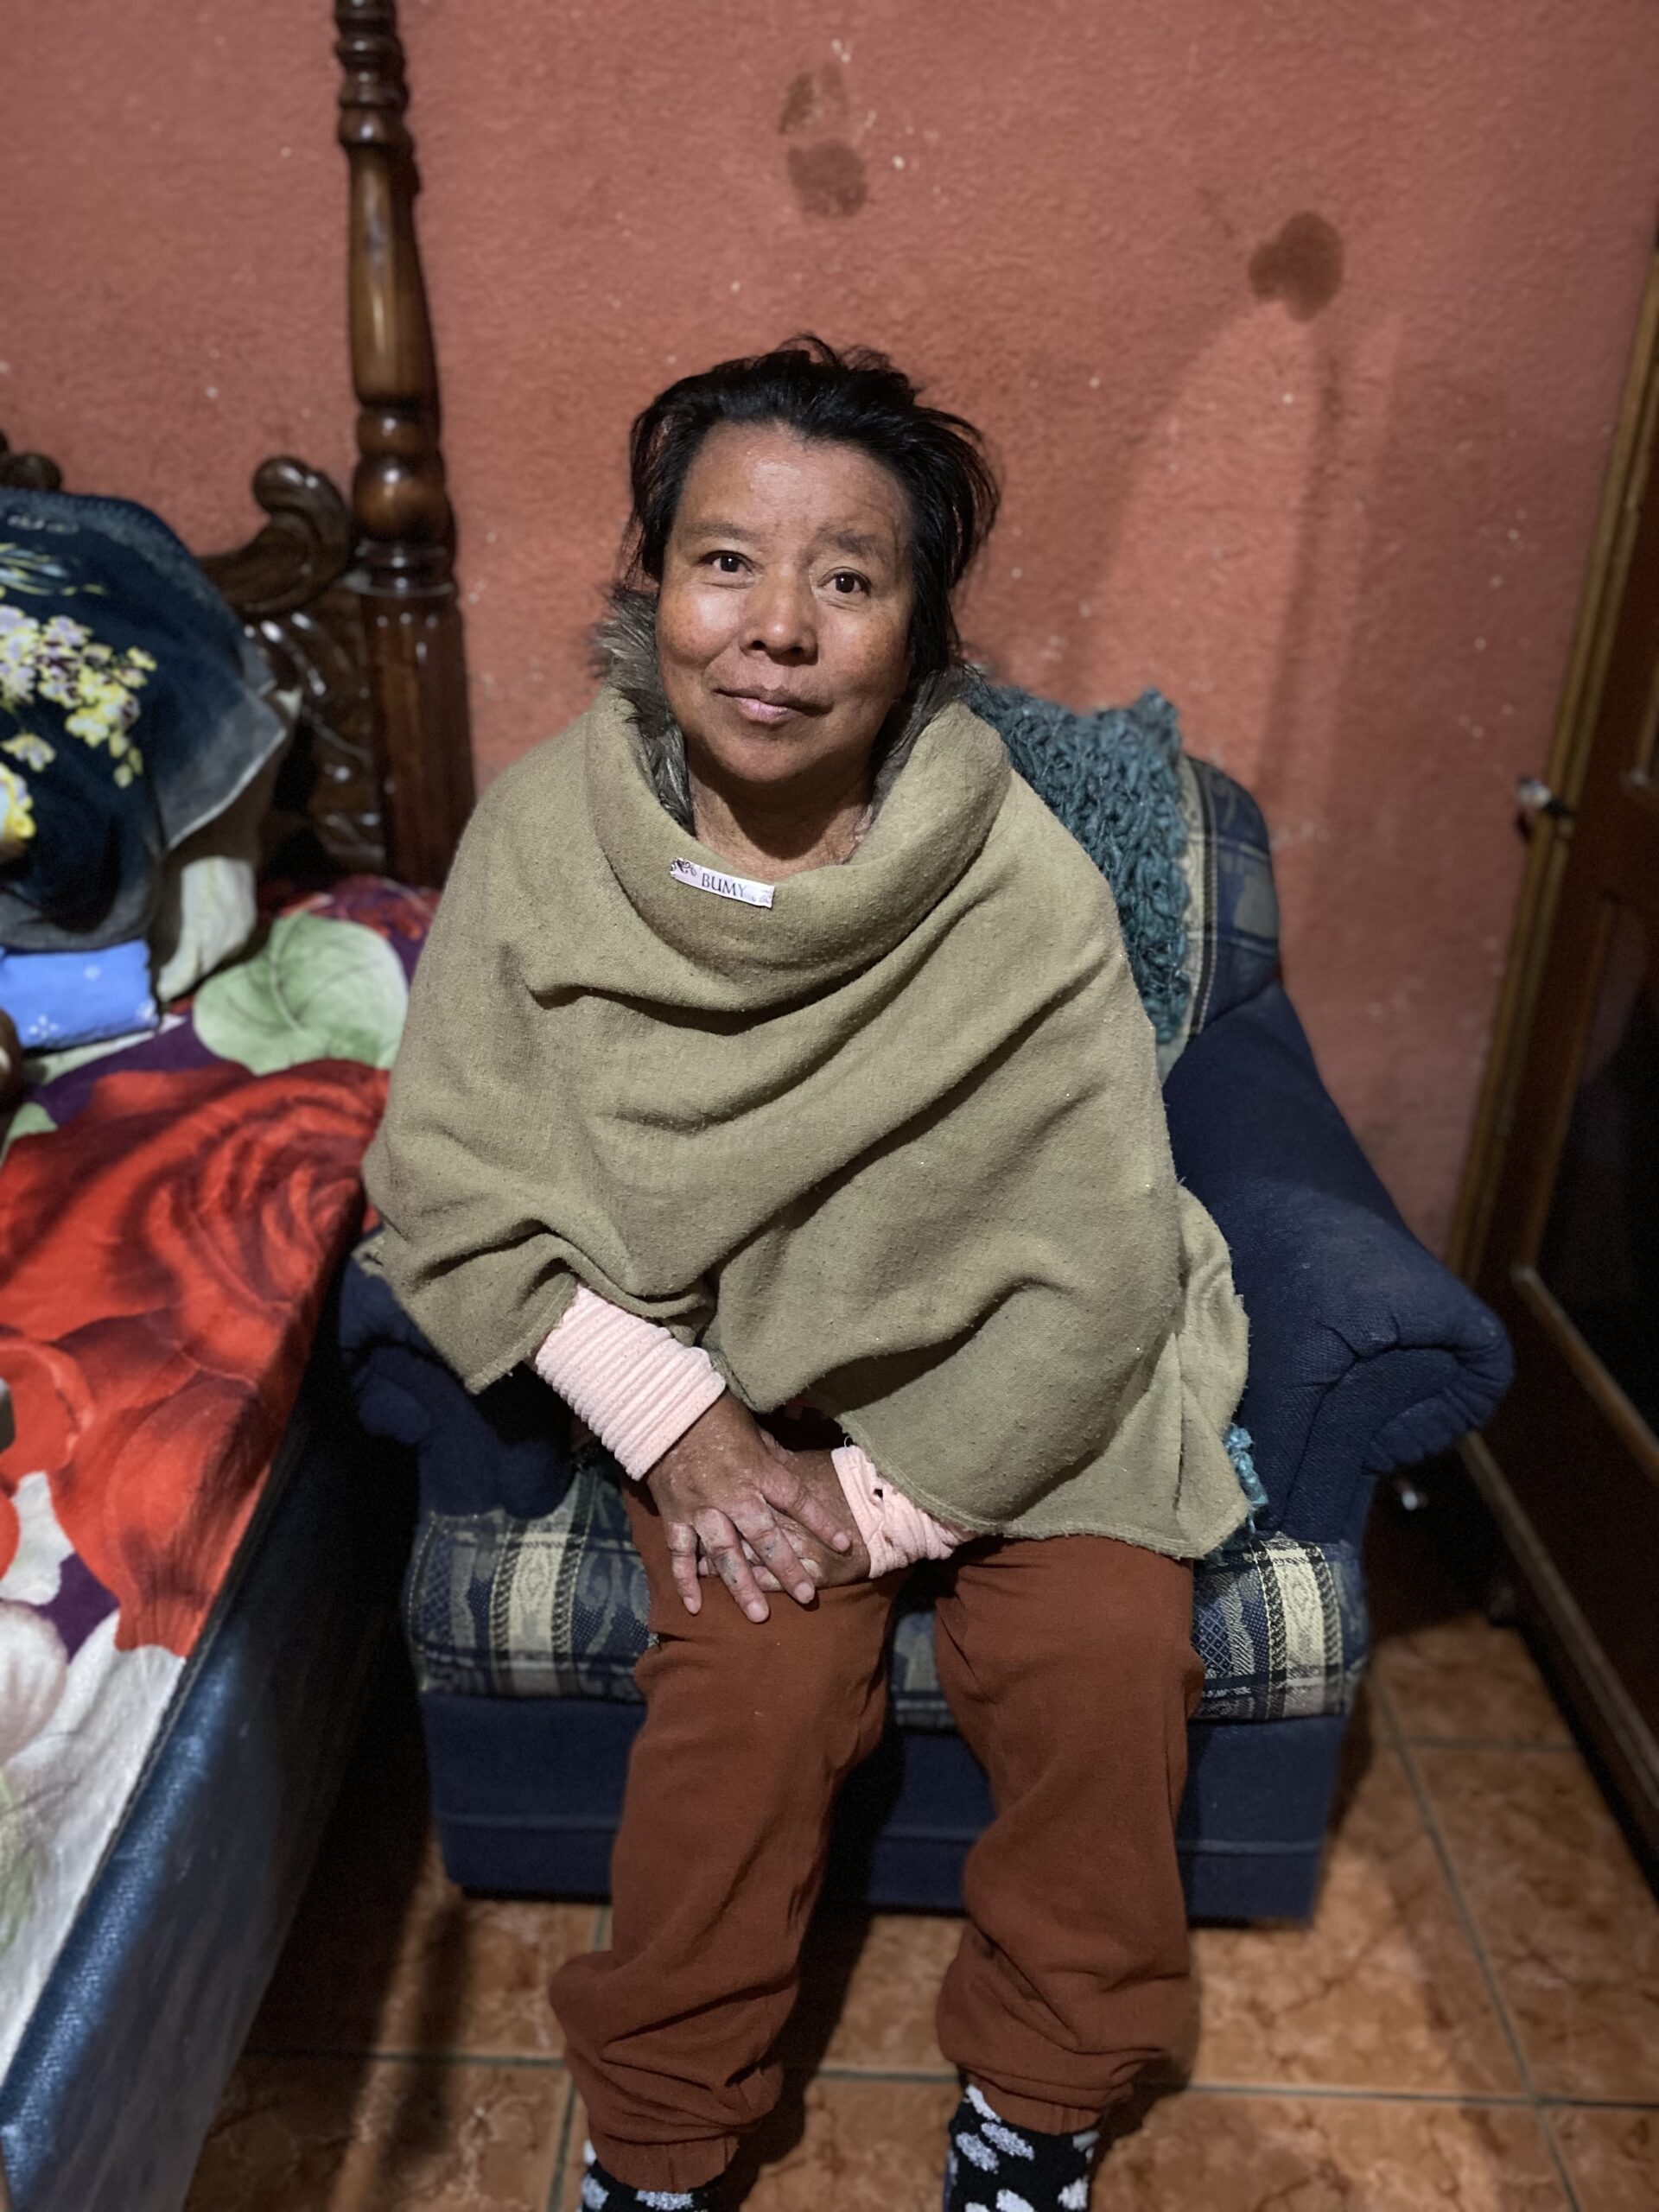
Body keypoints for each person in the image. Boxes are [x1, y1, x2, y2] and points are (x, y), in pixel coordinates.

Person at [365, 337, 1251, 2211]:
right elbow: (443, 1181)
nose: (776, 628)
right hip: (724, 1378)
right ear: (654, 590)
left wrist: (885, 1504)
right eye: (725, 562)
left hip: (1026, 1375)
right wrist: (678, 1425)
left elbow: (1100, 1257)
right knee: (750, 1696)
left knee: (1105, 1660)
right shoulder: (540, 837)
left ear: (918, 635)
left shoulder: (1019, 884)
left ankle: (1041, 2098)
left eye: (846, 578)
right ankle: (663, 2137)